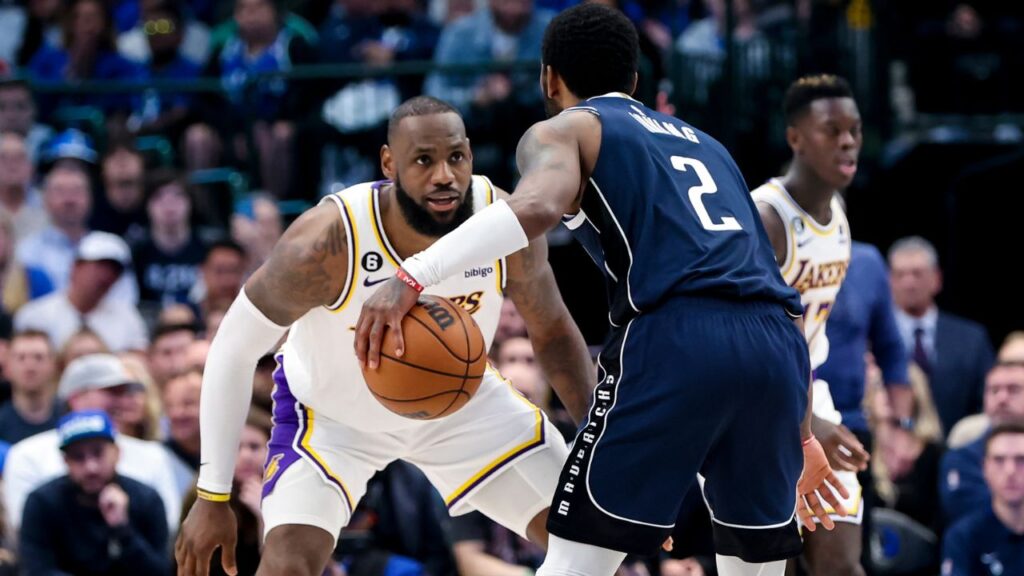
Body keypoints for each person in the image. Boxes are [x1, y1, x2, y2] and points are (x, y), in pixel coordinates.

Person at [355, 6, 845, 576]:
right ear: (634, 80)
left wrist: (413, 274)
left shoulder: (568, 128)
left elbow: (536, 207)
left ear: (549, 78)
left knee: (577, 561)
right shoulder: (711, 147)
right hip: (777, 354)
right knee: (753, 566)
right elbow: (780, 297)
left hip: (677, 337)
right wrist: (801, 434)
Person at [175, 95, 595, 576]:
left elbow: (553, 330)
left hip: (464, 408)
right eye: (424, 160)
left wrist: (601, 441)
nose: (444, 175)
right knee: (287, 564)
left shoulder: (500, 220)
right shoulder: (327, 241)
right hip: (332, 421)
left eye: (456, 157)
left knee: (592, 541)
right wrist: (212, 494)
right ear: (389, 164)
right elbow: (232, 349)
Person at [750, 74, 893, 576]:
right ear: (796, 138)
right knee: (775, 567)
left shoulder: (837, 209)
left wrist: (812, 414)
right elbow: (753, 346)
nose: (848, 141)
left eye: (854, 129)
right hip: (752, 407)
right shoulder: (766, 219)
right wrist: (807, 426)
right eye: (832, 130)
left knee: (842, 564)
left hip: (807, 394)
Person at [3, 353, 181, 533]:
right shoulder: (27, 455)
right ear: (76, 398)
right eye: (113, 392)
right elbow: (25, 529)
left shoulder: (153, 456)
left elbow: (168, 528)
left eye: (125, 392)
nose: (123, 401)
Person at [18, 410, 170, 575]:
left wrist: (123, 530)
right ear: (65, 461)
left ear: (117, 453)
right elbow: (37, 570)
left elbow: (161, 572)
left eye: (98, 453)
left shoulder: (147, 499)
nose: (91, 467)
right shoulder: (42, 503)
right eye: (78, 457)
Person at [888, 235, 995, 435]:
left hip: (954, 445)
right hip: (888, 450)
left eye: (917, 274)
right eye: (900, 274)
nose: (909, 283)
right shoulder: (871, 339)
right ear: (889, 281)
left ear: (936, 279)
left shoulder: (971, 339)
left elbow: (988, 401)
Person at [14, 231, 149, 352]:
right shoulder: (36, 316)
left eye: (114, 270)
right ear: (76, 267)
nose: (106, 276)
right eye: (100, 266)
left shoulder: (128, 318)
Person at [940, 363, 1024, 527]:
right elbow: (965, 510)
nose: (1002, 399)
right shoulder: (961, 458)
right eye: (994, 390)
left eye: (1013, 390)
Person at [940, 421, 1024, 576]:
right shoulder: (963, 537)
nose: (1010, 471)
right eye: (999, 460)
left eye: (1021, 460)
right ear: (985, 468)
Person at [0, 329, 60, 444]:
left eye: (38, 357)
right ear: (7, 368)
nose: (30, 366)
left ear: (54, 365)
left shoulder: (69, 417)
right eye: (21, 358)